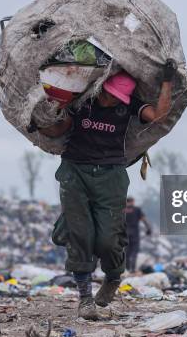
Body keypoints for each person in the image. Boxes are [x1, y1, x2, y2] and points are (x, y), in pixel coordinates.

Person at [38, 60, 176, 320]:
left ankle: (113, 276)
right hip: (75, 171)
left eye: (119, 97)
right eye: (111, 95)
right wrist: (38, 124)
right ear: (102, 89)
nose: (114, 100)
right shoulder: (82, 102)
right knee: (80, 234)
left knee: (107, 240)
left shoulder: (128, 106)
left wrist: (167, 81)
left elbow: (158, 116)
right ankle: (85, 299)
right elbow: (59, 127)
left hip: (110, 175)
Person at [124, 196, 152, 273]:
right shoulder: (137, 209)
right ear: (132, 201)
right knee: (134, 251)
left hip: (125, 233)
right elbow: (144, 219)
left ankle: (126, 268)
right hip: (134, 233)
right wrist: (148, 229)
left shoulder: (123, 210)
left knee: (127, 252)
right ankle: (132, 269)